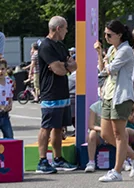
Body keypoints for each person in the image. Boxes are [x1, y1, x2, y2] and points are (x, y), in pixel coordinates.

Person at [94, 20, 134, 182]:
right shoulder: (111, 49)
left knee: (119, 134)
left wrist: (103, 60)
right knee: (105, 133)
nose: (106, 37)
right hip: (108, 95)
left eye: (109, 35)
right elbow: (102, 69)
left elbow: (109, 69)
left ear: (119, 35)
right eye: (105, 34)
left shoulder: (125, 51)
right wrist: (100, 54)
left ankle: (117, 171)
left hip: (121, 96)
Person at [36, 16, 78, 174]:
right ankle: (42, 160)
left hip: (62, 91)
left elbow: (73, 65)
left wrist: (65, 66)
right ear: (58, 28)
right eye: (66, 28)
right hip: (50, 92)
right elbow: (58, 69)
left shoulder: (61, 45)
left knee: (59, 127)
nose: (67, 31)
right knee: (46, 127)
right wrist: (65, 66)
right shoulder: (46, 46)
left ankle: (58, 158)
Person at [0, 59, 14, 139]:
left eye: (2, 69)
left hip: (4, 114)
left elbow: (10, 95)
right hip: (1, 109)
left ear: (6, 69)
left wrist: (10, 104)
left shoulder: (9, 81)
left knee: (9, 137)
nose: (0, 71)